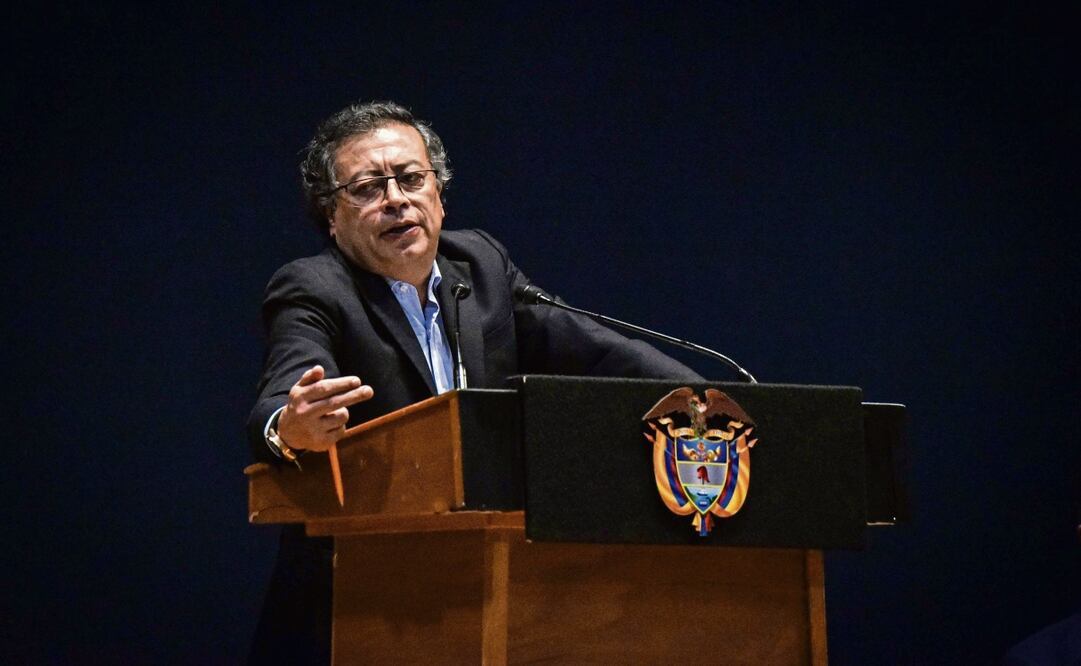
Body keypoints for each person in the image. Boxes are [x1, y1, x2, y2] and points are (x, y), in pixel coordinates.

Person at [246, 100, 702, 663]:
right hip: (357, 606)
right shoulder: (313, 288)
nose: (396, 199)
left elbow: (598, 350)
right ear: (331, 217)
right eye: (367, 188)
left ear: (438, 193)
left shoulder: (481, 265)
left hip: (494, 586)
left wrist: (706, 398)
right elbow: (286, 384)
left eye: (412, 178)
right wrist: (288, 428)